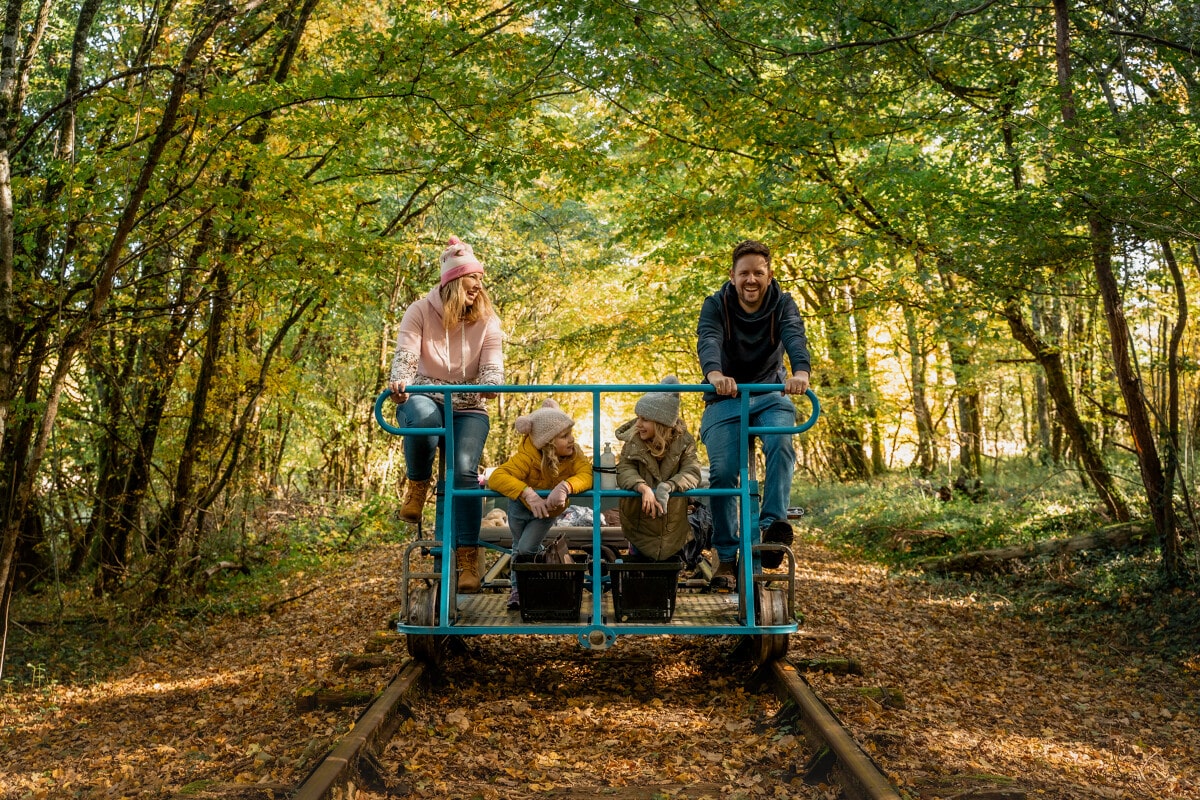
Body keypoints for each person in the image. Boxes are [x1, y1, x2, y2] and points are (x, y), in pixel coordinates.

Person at [388, 235, 504, 594]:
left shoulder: (487, 320)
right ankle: (418, 484)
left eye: (481, 279)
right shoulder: (420, 311)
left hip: (468, 405)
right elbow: (406, 354)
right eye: (473, 279)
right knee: (424, 422)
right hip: (425, 394)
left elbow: (493, 368)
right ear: (454, 281)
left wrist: (490, 384)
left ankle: (467, 558)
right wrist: (401, 380)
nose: (479, 286)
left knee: (465, 472)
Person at [696, 239, 811, 590]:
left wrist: (801, 373)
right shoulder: (716, 304)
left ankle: (771, 530)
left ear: (768, 275)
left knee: (781, 443)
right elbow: (709, 338)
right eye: (744, 273)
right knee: (724, 474)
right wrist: (715, 375)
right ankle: (727, 556)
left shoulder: (783, 303)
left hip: (768, 393)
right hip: (724, 397)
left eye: (758, 273)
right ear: (732, 276)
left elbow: (794, 335)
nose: (751, 280)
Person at [488, 399, 594, 610]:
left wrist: (565, 486)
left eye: (571, 434)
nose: (571, 440)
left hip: (547, 511)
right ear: (548, 443)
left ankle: (541, 566)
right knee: (519, 547)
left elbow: (586, 474)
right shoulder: (527, 457)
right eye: (564, 436)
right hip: (520, 507)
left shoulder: (574, 454)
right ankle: (520, 589)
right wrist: (526, 493)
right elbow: (497, 477)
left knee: (526, 547)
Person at [614, 376, 703, 562]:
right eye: (638, 417)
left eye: (644, 419)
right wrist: (642, 487)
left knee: (668, 573)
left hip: (671, 523)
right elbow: (624, 468)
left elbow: (692, 471)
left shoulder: (684, 442)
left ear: (661, 423)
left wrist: (669, 486)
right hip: (639, 521)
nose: (638, 424)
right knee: (640, 567)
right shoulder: (634, 441)